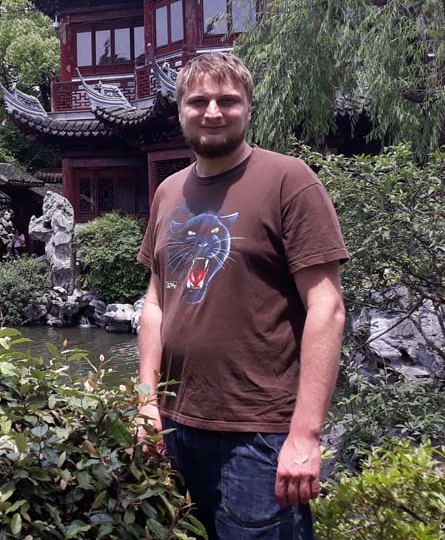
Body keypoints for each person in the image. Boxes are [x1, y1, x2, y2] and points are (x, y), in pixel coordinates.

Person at [135, 52, 347, 539]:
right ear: (180, 110)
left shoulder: (289, 180)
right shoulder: (168, 192)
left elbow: (327, 307)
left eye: (227, 100)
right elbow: (155, 304)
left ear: (249, 108)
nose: (213, 112)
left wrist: (305, 435)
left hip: (258, 433)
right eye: (198, 101)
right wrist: (146, 401)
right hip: (174, 425)